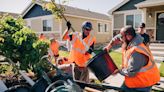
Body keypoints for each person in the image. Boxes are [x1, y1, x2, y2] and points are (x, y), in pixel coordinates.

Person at [104, 26, 160, 92]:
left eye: (122, 36)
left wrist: (118, 71)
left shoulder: (136, 52)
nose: (120, 38)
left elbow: (131, 73)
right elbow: (117, 38)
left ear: (128, 36)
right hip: (135, 79)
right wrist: (110, 45)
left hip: (143, 82)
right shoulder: (132, 40)